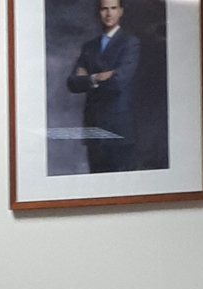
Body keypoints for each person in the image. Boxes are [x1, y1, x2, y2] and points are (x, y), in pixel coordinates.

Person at [67, 0, 140, 174]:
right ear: (98, 13)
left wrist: (88, 77)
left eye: (113, 8)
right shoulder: (89, 47)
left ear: (121, 11)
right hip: (94, 129)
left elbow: (118, 82)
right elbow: (72, 83)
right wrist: (97, 77)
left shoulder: (130, 43)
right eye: (104, 9)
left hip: (119, 129)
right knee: (96, 182)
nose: (109, 13)